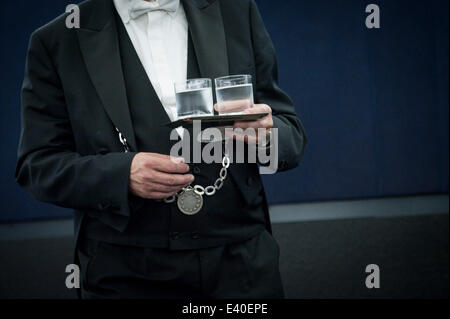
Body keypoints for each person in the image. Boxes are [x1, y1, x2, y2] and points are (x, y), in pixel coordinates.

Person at [16, 0, 306, 299]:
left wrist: (267, 137)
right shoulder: (57, 40)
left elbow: (290, 135)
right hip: (124, 274)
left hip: (242, 266)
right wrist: (121, 175)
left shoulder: (237, 10)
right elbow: (37, 165)